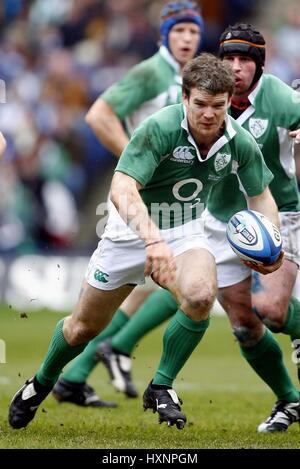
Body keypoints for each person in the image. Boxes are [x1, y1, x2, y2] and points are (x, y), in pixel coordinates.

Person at [8, 53, 281, 430]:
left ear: (227, 103)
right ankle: (40, 383)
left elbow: (261, 195)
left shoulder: (239, 141)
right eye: (200, 104)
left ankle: (162, 385)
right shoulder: (158, 128)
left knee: (200, 295)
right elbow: (122, 188)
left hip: (186, 230)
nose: (209, 114)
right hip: (128, 232)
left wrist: (273, 242)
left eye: (218, 106)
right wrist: (152, 241)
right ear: (184, 98)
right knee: (82, 329)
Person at [143, 23, 300, 433]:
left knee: (271, 310)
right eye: (228, 58)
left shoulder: (283, 98)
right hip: (223, 222)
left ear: (259, 65)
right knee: (245, 324)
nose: (235, 67)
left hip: (279, 212)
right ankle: (289, 400)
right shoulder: (207, 100)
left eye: (245, 60)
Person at [52, 1, 204, 404]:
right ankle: (100, 357)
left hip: (173, 200)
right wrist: (136, 163)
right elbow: (99, 115)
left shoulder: (187, 78)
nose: (187, 38)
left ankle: (78, 373)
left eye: (193, 32)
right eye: (179, 31)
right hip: (143, 201)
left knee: (157, 290)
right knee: (181, 287)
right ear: (164, 35)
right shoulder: (152, 72)